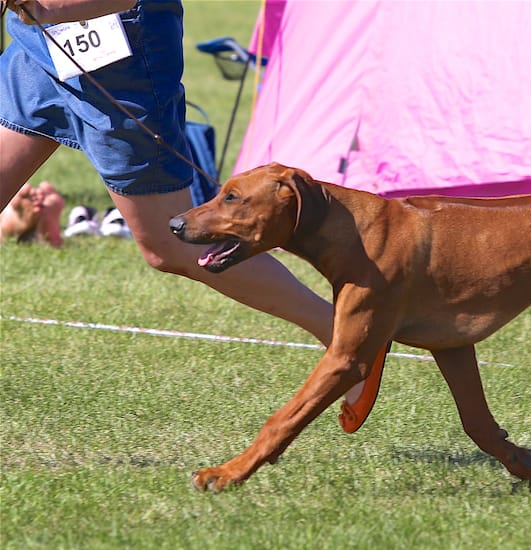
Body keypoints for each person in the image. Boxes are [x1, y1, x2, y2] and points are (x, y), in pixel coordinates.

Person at [0, 0, 384, 424]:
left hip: (117, 47)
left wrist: (53, 7)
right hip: (36, 39)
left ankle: (344, 332)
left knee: (170, 247)